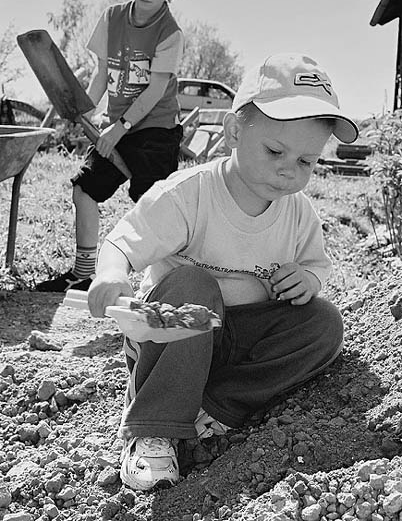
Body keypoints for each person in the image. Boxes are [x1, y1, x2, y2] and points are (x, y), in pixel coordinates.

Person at [87, 53, 359, 491]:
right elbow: (124, 240)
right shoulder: (189, 194)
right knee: (196, 284)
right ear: (234, 131)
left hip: (244, 334)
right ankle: (154, 427)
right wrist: (111, 274)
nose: (289, 169)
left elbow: (315, 266)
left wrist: (305, 280)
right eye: (275, 151)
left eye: (307, 162)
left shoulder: (298, 213)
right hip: (175, 332)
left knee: (323, 323)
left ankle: (211, 410)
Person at [36, 0, 187, 292]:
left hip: (154, 131)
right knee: (84, 191)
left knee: (152, 207)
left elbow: (154, 91)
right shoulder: (112, 18)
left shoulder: (170, 33)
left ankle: (160, 283)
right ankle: (84, 272)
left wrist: (119, 128)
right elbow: (102, 74)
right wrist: (82, 111)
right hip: (115, 125)